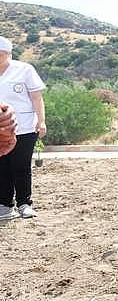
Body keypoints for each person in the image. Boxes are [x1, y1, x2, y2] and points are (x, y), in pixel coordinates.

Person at [0, 36, 46, 221]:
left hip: (25, 127)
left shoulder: (25, 69)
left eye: (1, 54)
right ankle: (4, 205)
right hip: (1, 130)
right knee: (2, 167)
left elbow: (36, 97)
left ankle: (24, 204)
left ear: (9, 53)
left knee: (20, 166)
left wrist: (41, 121)